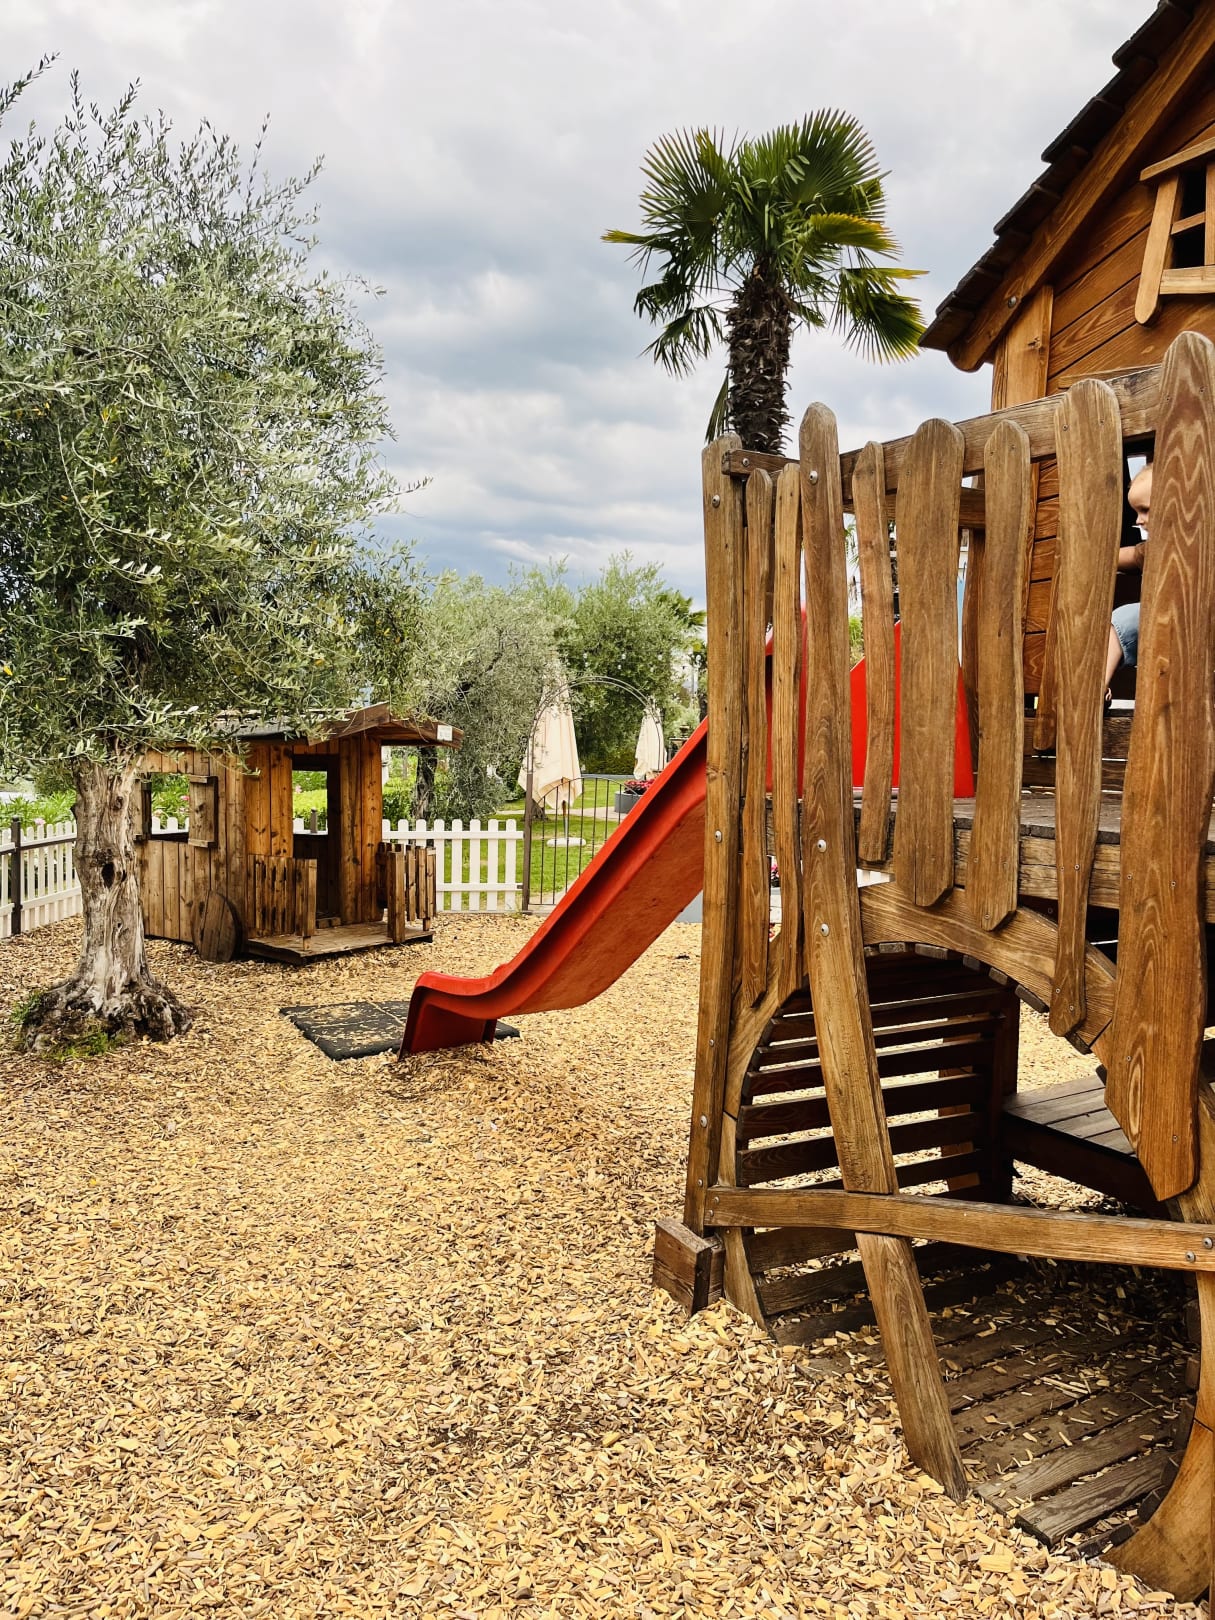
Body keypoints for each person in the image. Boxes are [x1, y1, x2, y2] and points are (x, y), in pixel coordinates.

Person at [1103, 462, 1152, 695]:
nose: (1139, 520)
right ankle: (1099, 686)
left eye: (1145, 510)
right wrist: (1096, 558)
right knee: (1122, 620)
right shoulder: (1154, 548)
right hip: (1163, 619)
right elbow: (1130, 555)